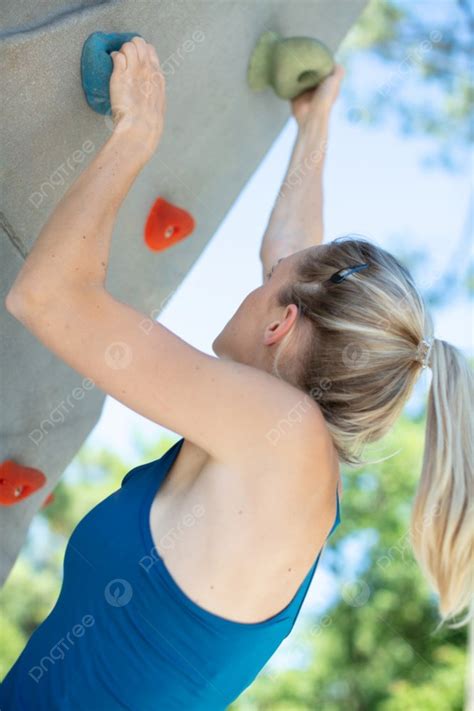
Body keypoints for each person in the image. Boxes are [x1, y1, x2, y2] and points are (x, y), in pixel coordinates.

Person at [2, 36, 472, 710]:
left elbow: (45, 296)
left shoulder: (282, 439)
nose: (258, 279)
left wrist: (137, 133)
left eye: (268, 284)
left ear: (280, 325)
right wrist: (315, 125)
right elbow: (292, 261)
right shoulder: (284, 451)